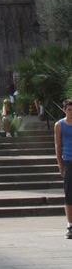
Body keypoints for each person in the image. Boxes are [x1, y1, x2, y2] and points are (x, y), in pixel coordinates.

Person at [54, 97, 72, 240]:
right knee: (69, 194)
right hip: (68, 160)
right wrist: (60, 164)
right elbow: (58, 145)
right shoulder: (59, 125)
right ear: (64, 110)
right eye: (69, 109)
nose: (71, 112)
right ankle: (70, 224)